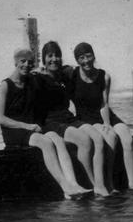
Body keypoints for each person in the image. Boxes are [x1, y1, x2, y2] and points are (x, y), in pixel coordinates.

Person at [0, 48, 90, 199]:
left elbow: (47, 80)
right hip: (13, 131)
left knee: (57, 139)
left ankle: (73, 184)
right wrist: (26, 126)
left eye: (30, 62)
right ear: (15, 62)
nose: (26, 64)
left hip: (31, 129)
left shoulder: (30, 81)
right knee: (46, 142)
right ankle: (64, 186)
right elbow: (0, 118)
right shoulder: (6, 85)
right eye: (23, 61)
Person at [36, 41, 113, 197]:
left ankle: (100, 184)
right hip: (51, 122)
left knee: (98, 138)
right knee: (84, 140)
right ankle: (93, 184)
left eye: (57, 55)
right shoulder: (38, 78)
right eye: (50, 56)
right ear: (43, 59)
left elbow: (79, 71)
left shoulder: (64, 75)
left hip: (68, 118)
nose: (54, 59)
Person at [70, 42, 133, 191]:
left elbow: (104, 103)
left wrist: (107, 123)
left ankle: (131, 183)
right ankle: (110, 182)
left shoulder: (104, 76)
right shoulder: (72, 74)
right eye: (81, 58)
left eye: (89, 56)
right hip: (86, 118)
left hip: (104, 114)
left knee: (128, 139)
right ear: (77, 60)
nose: (86, 61)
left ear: (94, 56)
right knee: (111, 138)